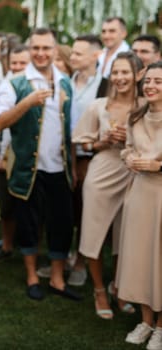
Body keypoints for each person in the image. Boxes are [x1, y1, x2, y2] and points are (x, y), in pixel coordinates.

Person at [0, 28, 79, 301]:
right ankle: (32, 276)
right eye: (36, 48)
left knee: (61, 224)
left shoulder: (66, 82)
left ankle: (56, 278)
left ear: (55, 50)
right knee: (28, 224)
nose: (41, 53)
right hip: (27, 170)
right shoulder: (15, 84)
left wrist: (73, 167)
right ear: (30, 50)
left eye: (46, 48)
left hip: (60, 168)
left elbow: (70, 130)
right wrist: (26, 103)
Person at [73, 51, 144, 319]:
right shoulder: (98, 106)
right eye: (115, 72)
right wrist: (101, 141)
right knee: (93, 233)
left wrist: (133, 137)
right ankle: (100, 290)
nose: (119, 77)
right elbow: (80, 140)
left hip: (135, 175)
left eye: (125, 72)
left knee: (126, 236)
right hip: (102, 172)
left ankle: (119, 287)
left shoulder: (148, 105)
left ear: (138, 74)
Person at [117, 61, 162, 349]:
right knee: (142, 259)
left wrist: (159, 165)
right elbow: (128, 149)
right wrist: (129, 158)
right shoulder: (135, 117)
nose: (151, 86)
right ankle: (146, 320)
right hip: (140, 195)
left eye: (158, 81)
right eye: (147, 81)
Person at [64, 34, 106, 287]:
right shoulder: (66, 82)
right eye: (73, 53)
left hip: (92, 157)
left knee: (85, 211)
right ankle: (67, 255)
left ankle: (81, 261)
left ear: (96, 55)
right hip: (65, 156)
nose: (73, 57)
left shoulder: (106, 86)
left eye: (79, 53)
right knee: (67, 209)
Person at [0, 44, 30, 263]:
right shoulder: (6, 85)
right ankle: (6, 244)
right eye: (14, 63)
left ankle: (26, 245)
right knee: (5, 203)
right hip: (4, 154)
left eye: (23, 63)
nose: (18, 67)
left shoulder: (34, 85)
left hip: (26, 154)